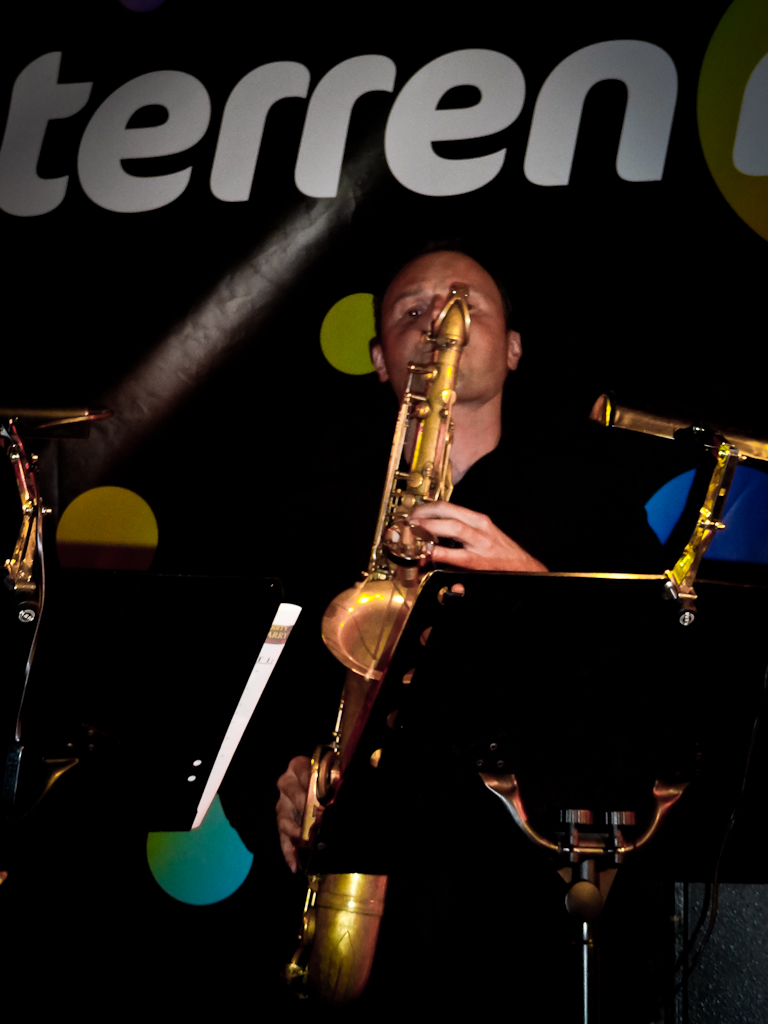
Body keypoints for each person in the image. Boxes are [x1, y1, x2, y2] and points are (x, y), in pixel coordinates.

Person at [275, 246, 663, 871]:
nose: (439, 319)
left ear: (513, 349)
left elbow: (649, 690)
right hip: (357, 844)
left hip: (522, 862)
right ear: (381, 360)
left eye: (465, 304)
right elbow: (267, 701)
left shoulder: (599, 504)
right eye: (412, 311)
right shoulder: (310, 518)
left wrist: (535, 590)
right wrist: (289, 777)